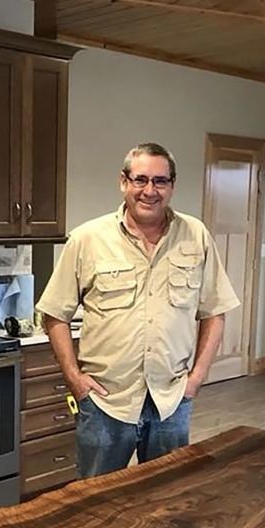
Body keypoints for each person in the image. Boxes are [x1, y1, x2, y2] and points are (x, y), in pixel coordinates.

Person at [35, 142, 240, 478]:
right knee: (96, 503)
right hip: (105, 402)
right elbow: (55, 314)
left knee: (167, 498)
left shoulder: (196, 236)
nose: (150, 190)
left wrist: (197, 378)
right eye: (140, 179)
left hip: (171, 401)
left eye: (160, 181)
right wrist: (75, 379)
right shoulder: (88, 239)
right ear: (123, 182)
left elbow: (215, 312)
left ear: (172, 185)